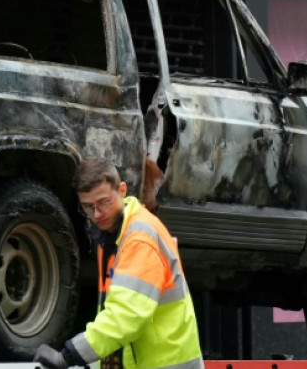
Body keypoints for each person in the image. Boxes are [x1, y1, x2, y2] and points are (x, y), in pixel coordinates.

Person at [34, 157, 203, 369]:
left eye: (104, 202)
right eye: (88, 207)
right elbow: (112, 315)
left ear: (122, 190)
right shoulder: (113, 236)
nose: (96, 214)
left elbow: (125, 316)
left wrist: (69, 356)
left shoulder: (139, 237)